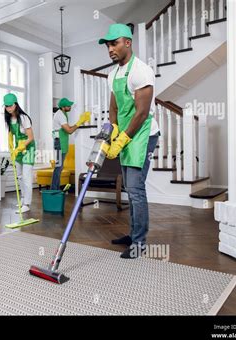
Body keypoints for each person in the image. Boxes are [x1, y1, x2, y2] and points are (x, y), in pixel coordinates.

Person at [99, 23, 160, 258]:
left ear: (127, 42)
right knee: (129, 187)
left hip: (143, 134)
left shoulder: (141, 71)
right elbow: (113, 107)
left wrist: (124, 138)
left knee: (135, 189)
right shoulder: (112, 73)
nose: (110, 49)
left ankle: (139, 242)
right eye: (107, 46)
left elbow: (142, 113)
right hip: (125, 134)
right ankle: (133, 233)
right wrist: (113, 130)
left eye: (114, 44)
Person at [3, 93, 36, 213]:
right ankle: (22, 199)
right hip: (18, 149)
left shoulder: (23, 118)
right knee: (20, 176)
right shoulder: (9, 118)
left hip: (28, 148)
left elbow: (31, 137)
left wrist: (21, 146)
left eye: (10, 106)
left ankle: (27, 204)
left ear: (16, 104)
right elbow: (11, 134)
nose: (8, 108)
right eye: (6, 106)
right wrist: (11, 145)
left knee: (27, 177)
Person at [50, 98, 91, 190]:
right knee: (58, 167)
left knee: (59, 167)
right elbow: (69, 131)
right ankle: (54, 189)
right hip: (59, 143)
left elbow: (68, 128)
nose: (70, 107)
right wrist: (79, 122)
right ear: (63, 107)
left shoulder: (63, 114)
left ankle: (55, 188)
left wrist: (79, 123)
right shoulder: (60, 115)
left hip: (60, 142)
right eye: (68, 106)